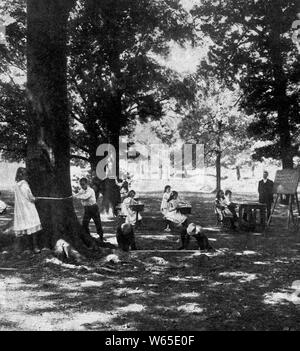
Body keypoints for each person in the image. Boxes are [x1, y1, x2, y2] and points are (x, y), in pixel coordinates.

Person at [13, 167, 42, 254]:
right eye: (26, 175)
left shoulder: (16, 185)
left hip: (21, 210)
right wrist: (35, 199)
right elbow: (30, 197)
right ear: (22, 175)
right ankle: (35, 247)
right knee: (33, 226)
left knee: (26, 227)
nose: (27, 176)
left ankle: (29, 247)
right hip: (28, 208)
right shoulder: (24, 184)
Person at [74, 177, 104, 243]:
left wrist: (77, 197)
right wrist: (73, 196)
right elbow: (78, 194)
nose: (82, 186)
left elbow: (85, 197)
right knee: (84, 223)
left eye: (83, 184)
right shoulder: (82, 190)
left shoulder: (90, 190)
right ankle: (87, 236)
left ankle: (101, 237)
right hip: (87, 209)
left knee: (97, 223)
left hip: (93, 208)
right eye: (81, 184)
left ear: (87, 184)